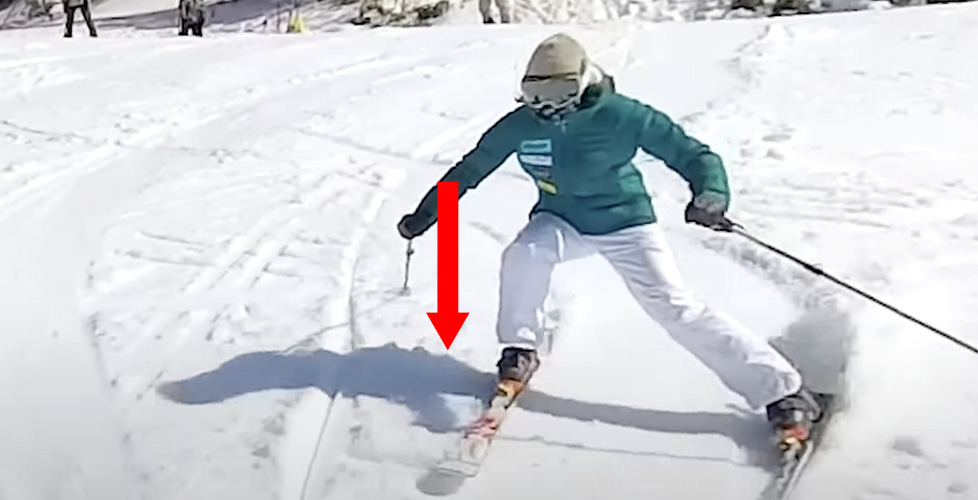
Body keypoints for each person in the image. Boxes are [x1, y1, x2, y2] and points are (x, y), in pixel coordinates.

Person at [396, 33, 822, 443]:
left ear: (583, 80)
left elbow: (692, 154)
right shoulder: (520, 125)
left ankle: (783, 391)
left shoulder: (622, 115)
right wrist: (427, 213)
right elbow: (469, 170)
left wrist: (710, 193)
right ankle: (520, 349)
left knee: (673, 306)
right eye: (535, 93)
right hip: (560, 219)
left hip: (626, 222)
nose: (547, 105)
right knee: (524, 253)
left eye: (559, 91)